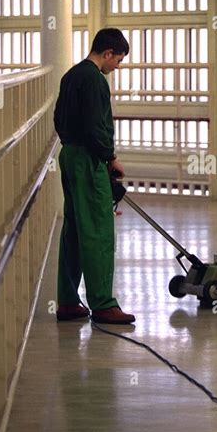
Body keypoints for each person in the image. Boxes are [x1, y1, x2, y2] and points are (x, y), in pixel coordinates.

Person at [53, 28, 135, 324]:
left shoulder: (71, 76)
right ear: (108, 53)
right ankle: (103, 303)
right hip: (88, 159)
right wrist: (110, 158)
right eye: (119, 60)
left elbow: (58, 119)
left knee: (74, 229)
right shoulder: (95, 81)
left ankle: (67, 301)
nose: (117, 67)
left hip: (69, 154)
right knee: (99, 228)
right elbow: (95, 127)